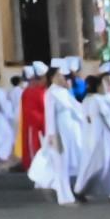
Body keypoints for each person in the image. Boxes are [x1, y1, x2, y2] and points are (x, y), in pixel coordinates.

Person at [27, 65, 85, 205]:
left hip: (71, 132)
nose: (62, 77)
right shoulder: (51, 93)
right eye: (59, 75)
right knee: (61, 164)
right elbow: (50, 117)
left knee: (70, 163)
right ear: (52, 78)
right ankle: (64, 196)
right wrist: (53, 136)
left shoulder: (64, 92)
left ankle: (72, 192)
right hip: (60, 132)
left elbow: (77, 108)